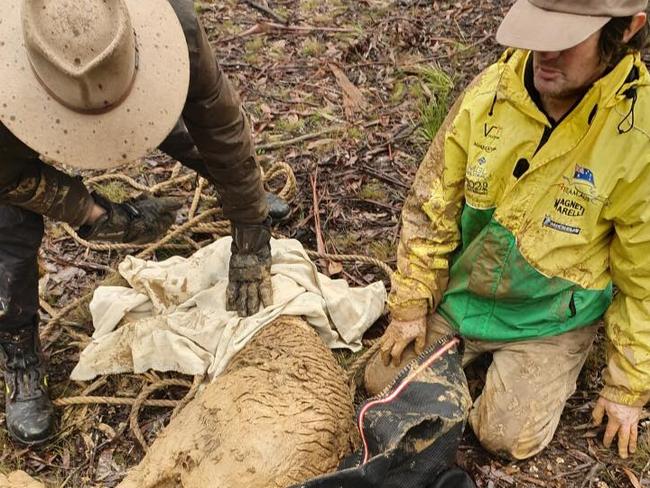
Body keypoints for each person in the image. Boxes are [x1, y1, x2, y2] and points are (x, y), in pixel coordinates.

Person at [365, 0, 650, 461]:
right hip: (466, 295)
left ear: (626, 31)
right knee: (380, 384)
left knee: (506, 436)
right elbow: (431, 205)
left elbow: (645, 280)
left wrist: (628, 386)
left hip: (550, 318)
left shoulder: (639, 139)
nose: (544, 52)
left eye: (564, 40)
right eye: (536, 32)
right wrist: (413, 302)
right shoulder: (489, 97)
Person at [0, 0, 288, 445]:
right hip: (13, 125)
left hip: (135, 69)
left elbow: (218, 121)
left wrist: (249, 221)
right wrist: (96, 214)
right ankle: (19, 351)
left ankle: (243, 191)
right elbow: (6, 179)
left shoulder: (170, 21)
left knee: (174, 116)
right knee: (6, 225)